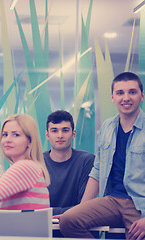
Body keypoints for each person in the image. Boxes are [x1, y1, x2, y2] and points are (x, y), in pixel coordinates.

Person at [59, 72, 145, 239]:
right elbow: (97, 171)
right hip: (111, 200)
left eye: (132, 92)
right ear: (112, 97)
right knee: (69, 220)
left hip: (139, 205)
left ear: (142, 96)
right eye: (120, 93)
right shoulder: (107, 127)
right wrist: (80, 209)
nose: (126, 97)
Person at [0, 114, 50, 210]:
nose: (8, 140)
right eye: (5, 134)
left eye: (16, 135)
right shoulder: (33, 166)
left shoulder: (24, 167)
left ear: (29, 141)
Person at [44, 110, 94, 215]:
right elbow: (35, 209)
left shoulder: (87, 161)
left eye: (65, 130)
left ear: (73, 134)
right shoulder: (37, 162)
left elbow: (85, 207)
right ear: (47, 135)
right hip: (43, 226)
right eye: (54, 131)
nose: (60, 135)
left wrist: (49, 212)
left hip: (76, 225)